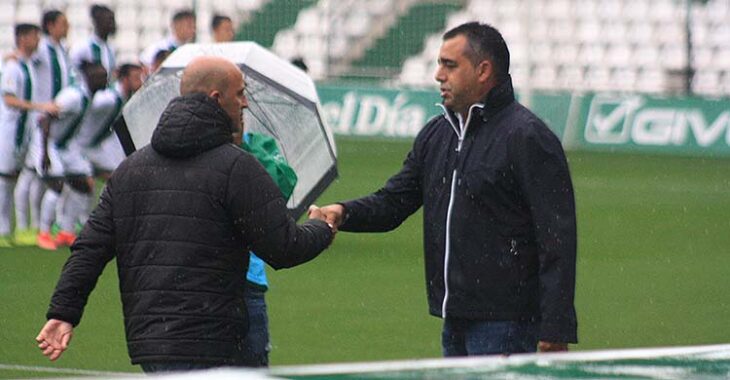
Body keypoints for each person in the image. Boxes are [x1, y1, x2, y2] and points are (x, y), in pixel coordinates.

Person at [36, 56, 335, 372]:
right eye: (239, 93)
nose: (245, 103)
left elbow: (90, 248)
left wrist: (63, 312)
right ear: (217, 99)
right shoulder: (237, 167)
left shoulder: (130, 170)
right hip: (215, 339)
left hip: (152, 340)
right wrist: (323, 227)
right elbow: (283, 247)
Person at [313, 22, 578, 356]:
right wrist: (344, 212)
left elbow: (557, 238)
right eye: (439, 64)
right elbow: (395, 201)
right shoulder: (437, 134)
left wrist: (556, 327)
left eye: (449, 65)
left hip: (509, 323)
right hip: (455, 318)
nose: (439, 75)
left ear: (484, 71)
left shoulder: (527, 137)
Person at [14, 10, 75, 246]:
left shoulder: (61, 50)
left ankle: (36, 227)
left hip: (55, 122)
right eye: (63, 23)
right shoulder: (42, 49)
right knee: (38, 176)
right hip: (40, 121)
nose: (67, 27)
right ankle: (32, 229)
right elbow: (21, 56)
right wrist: (10, 58)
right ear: (50, 26)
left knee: (35, 176)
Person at [35, 61, 108, 250]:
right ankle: (43, 233)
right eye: (100, 77)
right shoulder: (73, 96)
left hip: (65, 145)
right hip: (48, 142)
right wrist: (44, 153)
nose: (104, 80)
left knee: (84, 184)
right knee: (56, 185)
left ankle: (66, 231)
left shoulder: (89, 96)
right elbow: (44, 118)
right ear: (90, 79)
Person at [0, 24, 59, 247]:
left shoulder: (27, 65)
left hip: (24, 132)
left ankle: (23, 228)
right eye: (34, 36)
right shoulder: (13, 68)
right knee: (5, 181)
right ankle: (4, 230)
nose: (38, 41)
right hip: (9, 131)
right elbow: (9, 99)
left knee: (26, 176)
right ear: (22, 38)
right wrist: (38, 106)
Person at [78, 63, 143, 179]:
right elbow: (87, 105)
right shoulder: (109, 98)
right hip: (83, 146)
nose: (140, 81)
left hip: (96, 146)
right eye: (136, 78)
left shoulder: (125, 97)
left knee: (120, 177)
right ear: (125, 79)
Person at [70, 4, 116, 83]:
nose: (112, 24)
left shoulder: (110, 49)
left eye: (113, 20)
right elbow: (73, 72)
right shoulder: (83, 47)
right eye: (108, 20)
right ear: (97, 22)